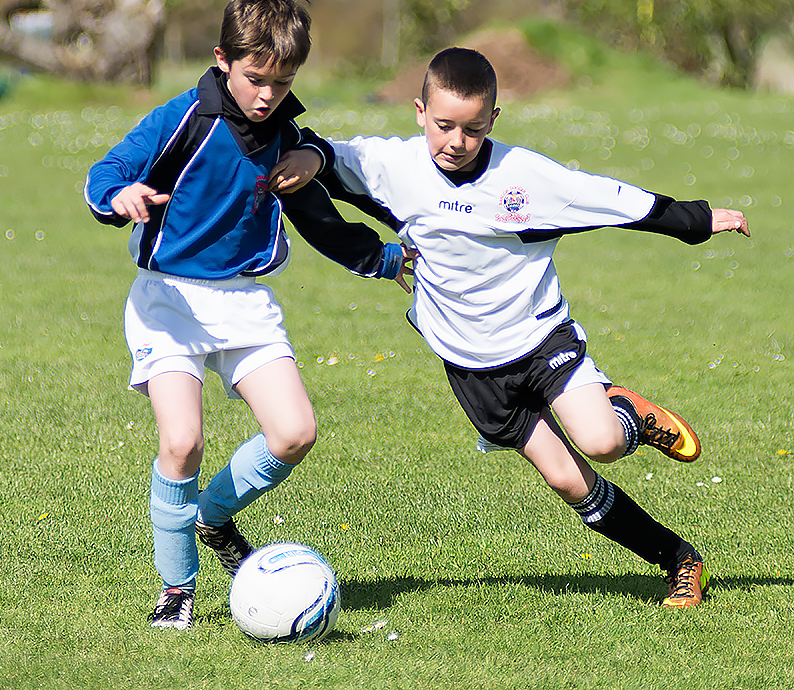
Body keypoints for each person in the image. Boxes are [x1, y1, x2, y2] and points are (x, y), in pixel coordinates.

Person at [319, 47, 751, 609]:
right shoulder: (392, 167)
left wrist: (697, 220)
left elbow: (613, 199)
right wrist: (298, 155)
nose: (456, 141)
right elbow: (323, 158)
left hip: (540, 339)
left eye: (473, 130)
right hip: (470, 366)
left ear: (493, 120)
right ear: (419, 111)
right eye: (444, 125)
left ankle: (629, 415)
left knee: (601, 442)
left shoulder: (525, 178)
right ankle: (680, 560)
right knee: (570, 484)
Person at [84, 0, 408, 630]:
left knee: (294, 432)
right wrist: (120, 199)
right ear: (222, 60)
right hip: (168, 302)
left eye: (282, 84)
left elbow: (320, 219)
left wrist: (381, 256)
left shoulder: (289, 136)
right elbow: (106, 173)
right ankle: (177, 589)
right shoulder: (183, 119)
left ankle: (211, 514)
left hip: (244, 305)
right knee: (182, 441)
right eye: (255, 78)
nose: (267, 95)